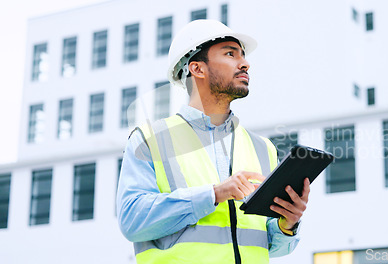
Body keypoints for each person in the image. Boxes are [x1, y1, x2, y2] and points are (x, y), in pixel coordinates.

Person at [116, 19, 310, 264]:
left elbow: (269, 245)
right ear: (197, 69)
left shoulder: (263, 148)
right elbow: (133, 221)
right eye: (230, 54)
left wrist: (287, 224)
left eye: (243, 56)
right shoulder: (149, 140)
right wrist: (213, 194)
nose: (245, 63)